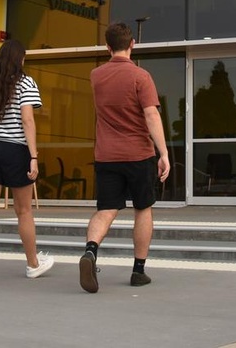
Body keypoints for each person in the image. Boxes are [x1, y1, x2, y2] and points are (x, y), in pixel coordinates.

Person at [79, 21, 170, 293]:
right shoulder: (141, 77)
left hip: (106, 155)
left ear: (107, 46)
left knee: (106, 209)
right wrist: (163, 152)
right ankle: (138, 271)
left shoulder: (96, 76)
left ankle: (90, 252)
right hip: (138, 154)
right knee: (143, 208)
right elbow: (151, 114)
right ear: (132, 44)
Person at [0, 38, 53, 286]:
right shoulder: (26, 82)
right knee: (23, 211)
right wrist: (34, 156)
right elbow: (28, 121)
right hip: (16, 151)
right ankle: (33, 264)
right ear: (20, 59)